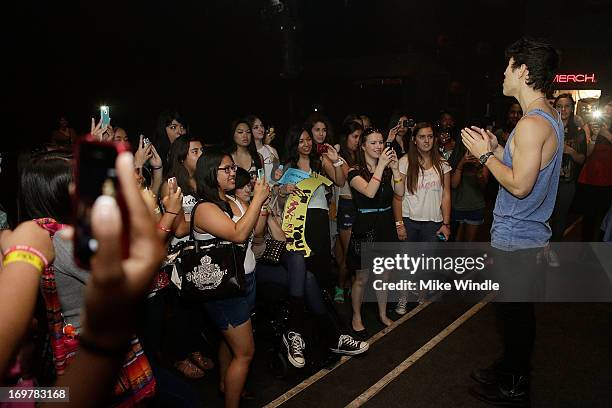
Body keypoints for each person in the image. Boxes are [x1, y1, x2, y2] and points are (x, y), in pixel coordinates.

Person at [461, 37, 561, 406]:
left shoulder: (533, 123)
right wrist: (499, 149)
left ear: (523, 71)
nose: (503, 73)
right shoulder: (545, 116)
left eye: (509, 66)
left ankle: (516, 383)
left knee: (515, 317)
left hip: (519, 235)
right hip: (524, 234)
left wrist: (486, 155)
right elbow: (525, 168)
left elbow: (519, 185)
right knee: (511, 313)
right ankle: (508, 369)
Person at [190, 148, 269, 408]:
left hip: (246, 280)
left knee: (230, 341)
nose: (233, 172)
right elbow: (237, 233)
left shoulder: (234, 201)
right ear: (211, 173)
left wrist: (261, 205)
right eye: (227, 169)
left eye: (234, 168)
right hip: (223, 289)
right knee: (246, 352)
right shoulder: (204, 209)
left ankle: (227, 384)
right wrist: (256, 200)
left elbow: (255, 231)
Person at [348, 127, 404, 337]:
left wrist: (396, 169)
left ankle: (382, 313)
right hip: (366, 226)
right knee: (361, 278)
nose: (379, 146)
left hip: (386, 225)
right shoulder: (353, 171)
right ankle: (356, 316)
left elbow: (400, 193)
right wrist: (381, 166)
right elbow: (370, 192)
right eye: (372, 142)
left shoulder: (388, 169)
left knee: (384, 274)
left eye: (381, 142)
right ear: (362, 146)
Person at [277, 126, 345, 291]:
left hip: (319, 215)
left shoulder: (319, 161)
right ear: (294, 144)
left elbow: (340, 181)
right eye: (301, 141)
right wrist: (283, 190)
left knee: (322, 259)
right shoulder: (287, 167)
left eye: (308, 139)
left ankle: (322, 297)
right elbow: (279, 201)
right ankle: (305, 297)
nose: (306, 144)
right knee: (302, 259)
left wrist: (336, 161)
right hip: (298, 218)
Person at [393, 122, 452, 313]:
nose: (426, 140)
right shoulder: (404, 162)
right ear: (414, 140)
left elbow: (446, 195)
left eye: (429, 136)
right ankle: (402, 299)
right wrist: (399, 223)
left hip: (433, 222)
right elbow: (397, 196)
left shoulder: (442, 164)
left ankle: (420, 294)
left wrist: (446, 223)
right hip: (409, 221)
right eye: (422, 137)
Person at [548, 94, 586, 258]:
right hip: (547, 181)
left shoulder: (578, 132)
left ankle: (554, 252)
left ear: (572, 108)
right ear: (554, 108)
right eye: (559, 106)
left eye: (567, 106)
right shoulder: (548, 127)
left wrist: (570, 151)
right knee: (545, 217)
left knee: (560, 218)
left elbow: (583, 159)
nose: (563, 110)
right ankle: (541, 250)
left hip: (566, 183)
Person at [333, 121, 363, 303]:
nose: (358, 141)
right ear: (346, 137)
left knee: (355, 252)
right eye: (355, 136)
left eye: (360, 137)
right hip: (346, 206)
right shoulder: (338, 155)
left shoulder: (360, 154)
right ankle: (339, 285)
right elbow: (344, 178)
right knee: (349, 252)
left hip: (361, 206)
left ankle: (352, 284)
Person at [577, 98, 612, 242]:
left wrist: (605, 134)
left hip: (609, 179)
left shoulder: (606, 129)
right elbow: (588, 154)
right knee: (589, 219)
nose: (610, 109)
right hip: (590, 178)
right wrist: (594, 136)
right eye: (608, 105)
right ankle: (586, 252)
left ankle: (601, 250)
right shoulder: (591, 125)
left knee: (605, 221)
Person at [245, 115, 280, 183]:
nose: (261, 129)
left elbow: (278, 175)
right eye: (256, 127)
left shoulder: (272, 150)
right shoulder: (246, 153)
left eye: (261, 126)